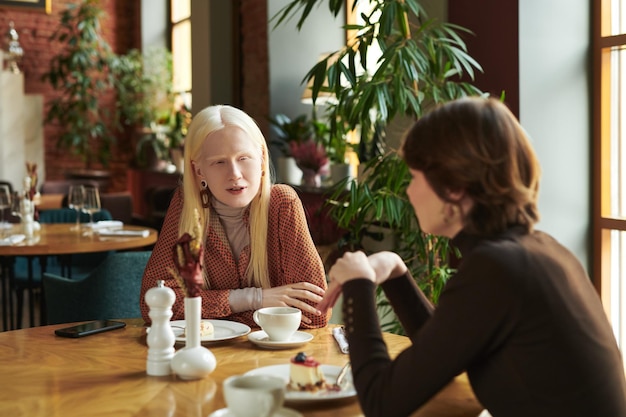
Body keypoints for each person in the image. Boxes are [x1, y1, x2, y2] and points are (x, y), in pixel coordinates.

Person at [318, 97, 626, 416]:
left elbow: (381, 402)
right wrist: (396, 273)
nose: (408, 191)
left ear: (453, 188)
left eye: (414, 176)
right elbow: (443, 352)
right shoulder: (536, 250)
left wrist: (358, 285)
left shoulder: (498, 268)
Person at [140, 104, 329, 329]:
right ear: (199, 170)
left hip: (274, 358)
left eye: (243, 158)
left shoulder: (282, 204)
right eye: (219, 162)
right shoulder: (186, 205)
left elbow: (315, 312)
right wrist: (256, 299)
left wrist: (209, 311)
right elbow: (154, 305)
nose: (235, 174)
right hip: (210, 356)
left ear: (261, 159)